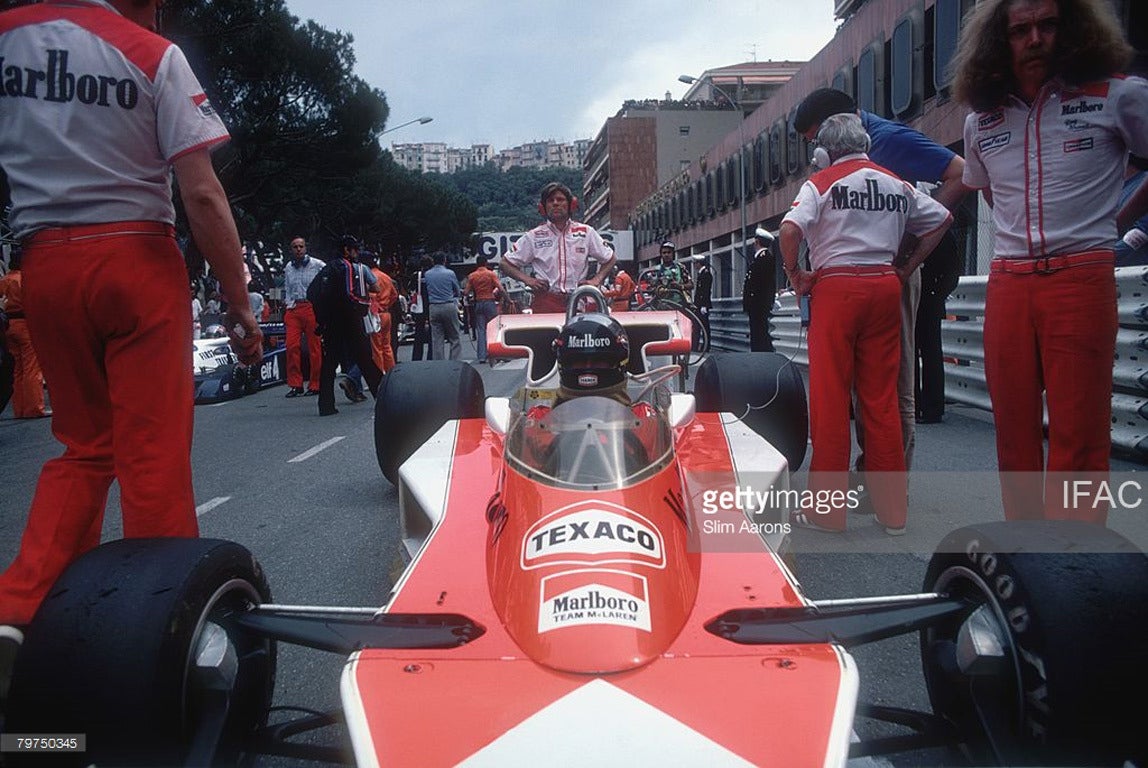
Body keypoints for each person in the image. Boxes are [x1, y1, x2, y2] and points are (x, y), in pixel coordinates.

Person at [0, 0, 262, 652]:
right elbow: (201, 194)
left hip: (44, 267)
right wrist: (238, 299)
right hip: (136, 259)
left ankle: (19, 610)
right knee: (153, 454)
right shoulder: (152, 53)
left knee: (85, 445)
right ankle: (156, 627)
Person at [951, 0, 1148, 523]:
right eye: (1020, 30)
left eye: (1048, 24)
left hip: (1081, 276)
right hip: (1010, 283)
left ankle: (1079, 568)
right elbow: (987, 189)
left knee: (1078, 435)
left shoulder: (1119, 94)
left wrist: (1115, 222)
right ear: (1000, 40)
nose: (1034, 38)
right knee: (1013, 433)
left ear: (1073, 29)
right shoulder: (980, 121)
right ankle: (1029, 557)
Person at [780, 113, 952, 534]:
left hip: (837, 289)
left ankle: (827, 511)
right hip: (884, 287)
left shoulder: (820, 183)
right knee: (881, 401)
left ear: (823, 151)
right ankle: (893, 513)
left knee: (830, 401)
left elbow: (789, 231)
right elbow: (942, 219)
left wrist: (795, 276)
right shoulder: (895, 182)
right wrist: (906, 265)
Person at [794, 87, 971, 473]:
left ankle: (890, 479)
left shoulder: (890, 139)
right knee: (865, 388)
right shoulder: (838, 158)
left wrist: (906, 248)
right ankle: (872, 473)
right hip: (855, 279)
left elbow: (960, 172)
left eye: (815, 140)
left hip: (890, 271)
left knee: (893, 384)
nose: (815, 151)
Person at [500, 182, 616, 314]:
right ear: (543, 208)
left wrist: (596, 280)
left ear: (571, 205)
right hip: (546, 301)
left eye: (560, 199)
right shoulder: (534, 236)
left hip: (578, 299)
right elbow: (505, 263)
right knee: (545, 335)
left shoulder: (586, 232)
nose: (555, 203)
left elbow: (610, 258)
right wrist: (529, 280)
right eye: (550, 201)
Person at [315, 236, 383, 416]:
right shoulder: (347, 267)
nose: (357, 253)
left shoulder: (327, 268)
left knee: (329, 364)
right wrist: (363, 304)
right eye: (354, 249)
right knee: (365, 360)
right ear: (347, 250)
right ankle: (384, 398)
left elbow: (311, 292)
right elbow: (349, 293)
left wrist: (322, 318)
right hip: (349, 320)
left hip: (331, 322)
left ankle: (326, 405)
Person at [914, 230, 962, 423]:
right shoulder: (941, 233)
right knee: (920, 355)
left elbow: (953, 271)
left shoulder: (940, 234)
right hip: (922, 298)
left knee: (930, 354)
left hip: (927, 298)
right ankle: (917, 405)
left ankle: (929, 406)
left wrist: (938, 295)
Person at [0, 250, 49, 418]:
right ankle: (34, 407)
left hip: (7, 326)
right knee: (31, 368)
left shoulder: (5, 280)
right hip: (25, 324)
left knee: (17, 369)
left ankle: (19, 408)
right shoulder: (24, 280)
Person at [282, 236, 325, 397]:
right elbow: (287, 287)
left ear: (306, 248)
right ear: (291, 249)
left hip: (311, 307)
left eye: (301, 246)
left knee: (314, 347)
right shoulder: (289, 267)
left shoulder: (317, 264)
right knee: (291, 346)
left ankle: (315, 384)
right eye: (295, 247)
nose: (298, 249)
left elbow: (328, 279)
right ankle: (295, 384)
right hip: (294, 308)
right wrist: (288, 304)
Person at [743, 228, 777, 352]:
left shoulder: (764, 259)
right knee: (757, 332)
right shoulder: (761, 259)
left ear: (757, 242)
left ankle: (761, 355)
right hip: (757, 303)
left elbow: (763, 284)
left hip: (758, 304)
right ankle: (759, 353)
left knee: (759, 333)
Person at [363, 251, 397, 374]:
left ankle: (379, 374)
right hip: (386, 313)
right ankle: (390, 372)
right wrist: (386, 305)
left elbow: (371, 297)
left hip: (375, 314)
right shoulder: (385, 276)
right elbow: (394, 295)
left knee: (376, 347)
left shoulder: (369, 278)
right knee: (386, 345)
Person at [424, 252, 462, 360]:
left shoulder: (427, 274)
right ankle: (455, 360)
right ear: (444, 260)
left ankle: (439, 362)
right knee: (454, 336)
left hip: (434, 307)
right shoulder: (450, 273)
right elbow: (457, 291)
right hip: (448, 305)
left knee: (437, 338)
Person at [465, 255, 501, 364]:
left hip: (478, 303)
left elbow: (466, 292)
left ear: (477, 264)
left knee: (481, 330)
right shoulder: (491, 274)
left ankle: (481, 356)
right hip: (490, 302)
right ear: (486, 263)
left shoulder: (472, 276)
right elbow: (500, 287)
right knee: (494, 328)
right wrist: (508, 299)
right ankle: (496, 353)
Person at [409, 255, 433, 361]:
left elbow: (411, 289)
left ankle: (417, 356)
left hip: (419, 306)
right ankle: (431, 356)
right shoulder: (432, 275)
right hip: (431, 304)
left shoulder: (416, 275)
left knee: (419, 332)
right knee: (433, 332)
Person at [694, 256, 714, 335]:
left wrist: (704, 305)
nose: (694, 265)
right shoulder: (701, 273)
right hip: (699, 304)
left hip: (702, 304)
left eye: (695, 263)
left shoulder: (706, 274)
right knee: (697, 326)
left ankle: (707, 345)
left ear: (699, 263)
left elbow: (706, 290)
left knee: (705, 326)